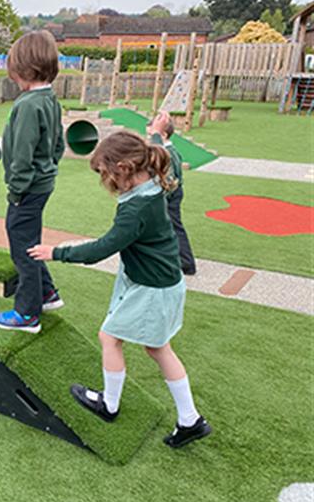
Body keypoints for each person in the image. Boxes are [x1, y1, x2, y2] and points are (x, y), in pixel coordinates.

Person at [27, 131, 211, 449]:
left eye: (105, 173)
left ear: (124, 167)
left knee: (110, 338)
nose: (105, 181)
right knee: (158, 349)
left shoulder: (136, 208)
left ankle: (109, 405)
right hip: (161, 282)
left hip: (153, 288)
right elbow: (172, 160)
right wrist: (157, 134)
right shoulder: (156, 182)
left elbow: (103, 248)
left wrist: (56, 252)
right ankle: (190, 419)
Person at [0, 31, 65, 334]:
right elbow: (58, 144)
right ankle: (46, 293)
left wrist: (16, 189)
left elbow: (21, 154)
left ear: (25, 69)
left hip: (28, 187)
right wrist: (48, 168)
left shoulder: (27, 105)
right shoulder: (50, 99)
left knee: (22, 246)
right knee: (29, 241)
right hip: (44, 183)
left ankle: (26, 313)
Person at [147, 111, 196, 275]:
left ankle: (186, 263)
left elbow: (168, 177)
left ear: (163, 133)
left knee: (174, 227)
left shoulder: (166, 151)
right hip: (174, 193)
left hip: (170, 195)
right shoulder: (170, 149)